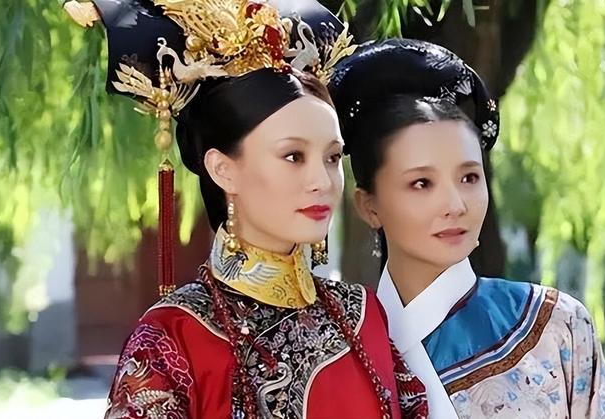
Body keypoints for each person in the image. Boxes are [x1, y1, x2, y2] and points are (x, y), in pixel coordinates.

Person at [65, 2, 429, 418]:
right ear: (223, 170)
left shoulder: (362, 315)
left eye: (332, 158)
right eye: (293, 156)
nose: (322, 180)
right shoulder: (174, 335)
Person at [329, 38, 605, 418]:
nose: (456, 205)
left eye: (469, 177)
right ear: (368, 206)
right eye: (422, 183)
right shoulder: (336, 352)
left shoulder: (555, 324)